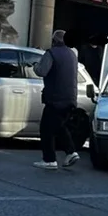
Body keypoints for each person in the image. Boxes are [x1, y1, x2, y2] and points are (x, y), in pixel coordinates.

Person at [32, 30, 80, 170]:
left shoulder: (51, 53)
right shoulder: (72, 54)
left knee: (46, 129)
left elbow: (41, 71)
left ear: (54, 40)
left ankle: (49, 160)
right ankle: (71, 152)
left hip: (55, 98)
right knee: (59, 126)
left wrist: (35, 65)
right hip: (70, 97)